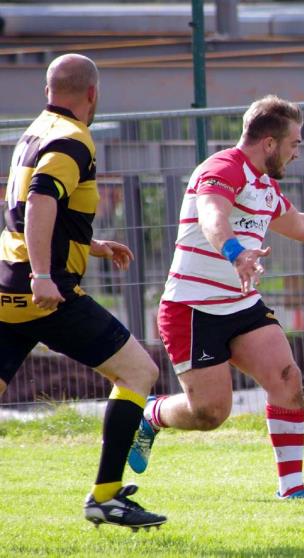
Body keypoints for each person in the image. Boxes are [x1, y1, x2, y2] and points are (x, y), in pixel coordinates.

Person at [126, 95, 304, 500]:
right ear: (269, 143)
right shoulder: (222, 168)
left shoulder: (265, 185)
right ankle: (151, 414)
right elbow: (212, 215)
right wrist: (235, 252)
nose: (297, 153)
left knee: (287, 379)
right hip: (192, 309)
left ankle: (293, 490)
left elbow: (299, 222)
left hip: (242, 305)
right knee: (210, 413)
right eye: (294, 144)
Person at [0, 54, 166, 530]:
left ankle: (108, 496)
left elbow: (32, 208)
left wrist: (89, 245)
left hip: (8, 286)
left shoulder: (36, 129)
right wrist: (43, 276)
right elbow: (39, 202)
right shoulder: (73, 139)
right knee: (139, 371)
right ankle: (107, 496)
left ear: (48, 90)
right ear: (93, 94)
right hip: (46, 295)